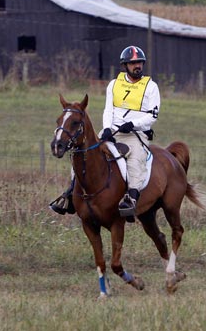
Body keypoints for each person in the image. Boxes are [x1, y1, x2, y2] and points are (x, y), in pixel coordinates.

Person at [49, 46, 160, 221]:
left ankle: (131, 199)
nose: (137, 66)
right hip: (112, 131)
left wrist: (133, 124)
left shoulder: (151, 87)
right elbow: (108, 109)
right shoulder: (114, 84)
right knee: (83, 153)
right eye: (133, 63)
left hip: (135, 134)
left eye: (139, 62)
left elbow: (152, 116)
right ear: (125, 65)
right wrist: (107, 127)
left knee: (136, 159)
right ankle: (70, 193)